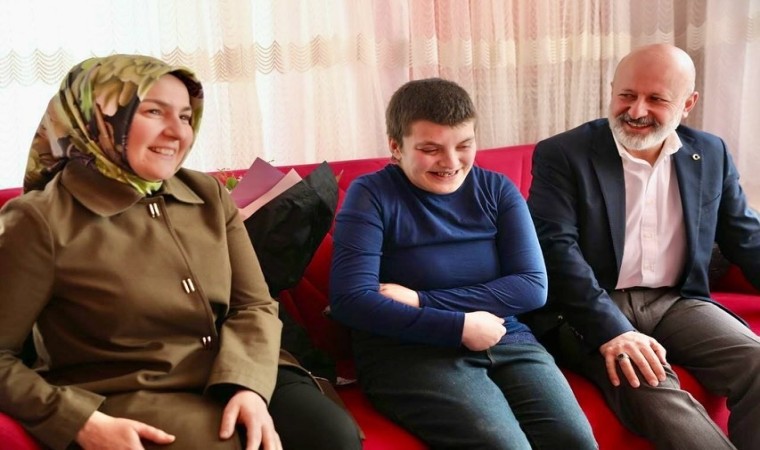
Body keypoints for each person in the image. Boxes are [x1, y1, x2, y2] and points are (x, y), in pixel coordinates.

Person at [0, 54, 362, 450]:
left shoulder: (207, 193)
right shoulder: (37, 220)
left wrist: (248, 386)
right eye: (154, 112)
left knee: (332, 436)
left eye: (186, 117)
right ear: (95, 118)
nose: (177, 132)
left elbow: (254, 304)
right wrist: (78, 421)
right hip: (131, 391)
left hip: (243, 364)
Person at [329, 78, 597, 449]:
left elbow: (532, 287)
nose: (452, 163)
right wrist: (458, 327)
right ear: (396, 147)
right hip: (408, 350)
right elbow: (351, 300)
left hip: (505, 336)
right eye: (430, 149)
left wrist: (422, 300)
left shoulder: (497, 190)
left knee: (575, 442)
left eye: (464, 145)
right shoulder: (370, 195)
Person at [526, 43, 760, 450]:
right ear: (611, 90)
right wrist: (613, 331)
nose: (636, 111)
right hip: (592, 305)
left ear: (687, 104)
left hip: (676, 301)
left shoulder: (711, 153)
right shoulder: (563, 154)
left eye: (656, 99)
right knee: (649, 383)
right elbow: (555, 250)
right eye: (627, 95)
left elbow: (745, 236)